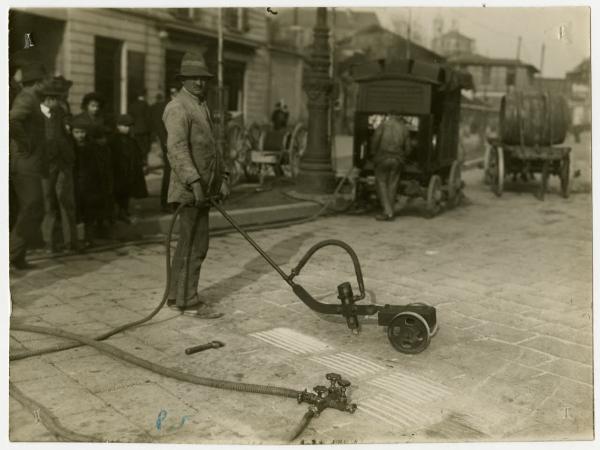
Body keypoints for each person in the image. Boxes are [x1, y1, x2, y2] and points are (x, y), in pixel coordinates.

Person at [162, 52, 230, 317]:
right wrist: (195, 183)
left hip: (204, 188)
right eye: (194, 78)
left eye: (203, 78)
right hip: (190, 189)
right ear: (183, 80)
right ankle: (188, 301)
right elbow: (176, 150)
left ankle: (175, 296)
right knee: (195, 244)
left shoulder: (200, 105)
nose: (200, 82)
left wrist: (222, 179)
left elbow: (213, 147)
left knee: (188, 243)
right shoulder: (177, 107)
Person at [9, 62, 49, 270]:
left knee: (33, 208)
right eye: (44, 81)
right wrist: (25, 142)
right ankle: (10, 255)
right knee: (32, 207)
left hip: (30, 163)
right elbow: (12, 120)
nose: (46, 85)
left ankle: (17, 256)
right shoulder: (26, 97)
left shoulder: (33, 98)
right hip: (25, 163)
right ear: (37, 83)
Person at [40, 78, 79, 254]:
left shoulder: (61, 113)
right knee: (48, 204)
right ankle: (49, 243)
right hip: (45, 167)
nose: (60, 101)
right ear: (48, 99)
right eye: (57, 98)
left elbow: (66, 137)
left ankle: (71, 242)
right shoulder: (35, 116)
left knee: (66, 201)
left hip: (63, 164)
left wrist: (69, 158)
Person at [71, 115, 113, 246]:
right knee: (77, 213)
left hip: (90, 185)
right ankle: (78, 239)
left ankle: (88, 238)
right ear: (72, 132)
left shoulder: (91, 147)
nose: (80, 135)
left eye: (82, 132)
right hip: (75, 184)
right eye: (77, 132)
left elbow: (97, 166)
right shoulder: (70, 146)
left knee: (89, 213)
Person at [370, 115, 411, 221]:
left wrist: (373, 154)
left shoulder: (382, 126)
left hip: (382, 158)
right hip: (397, 160)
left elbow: (375, 142)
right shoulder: (404, 128)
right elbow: (408, 149)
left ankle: (388, 212)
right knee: (393, 184)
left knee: (381, 183)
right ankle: (390, 210)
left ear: (390, 115)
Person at [110, 114, 148, 223]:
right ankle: (119, 212)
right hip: (119, 171)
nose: (127, 128)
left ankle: (124, 210)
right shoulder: (114, 140)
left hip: (129, 171)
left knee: (126, 192)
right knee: (119, 193)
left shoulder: (131, 139)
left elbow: (136, 153)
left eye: (128, 126)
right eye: (124, 126)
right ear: (118, 126)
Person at [150, 87, 179, 212]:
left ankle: (177, 201)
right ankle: (166, 202)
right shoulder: (163, 106)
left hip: (180, 143)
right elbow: (158, 126)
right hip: (168, 143)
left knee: (179, 172)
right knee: (170, 171)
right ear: (172, 92)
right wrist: (165, 141)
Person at [128, 89, 152, 167]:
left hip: (135, 129)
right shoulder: (145, 104)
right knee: (145, 147)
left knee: (138, 147)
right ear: (144, 95)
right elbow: (148, 117)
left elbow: (130, 117)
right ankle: (145, 164)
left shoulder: (132, 105)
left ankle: (139, 163)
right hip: (145, 129)